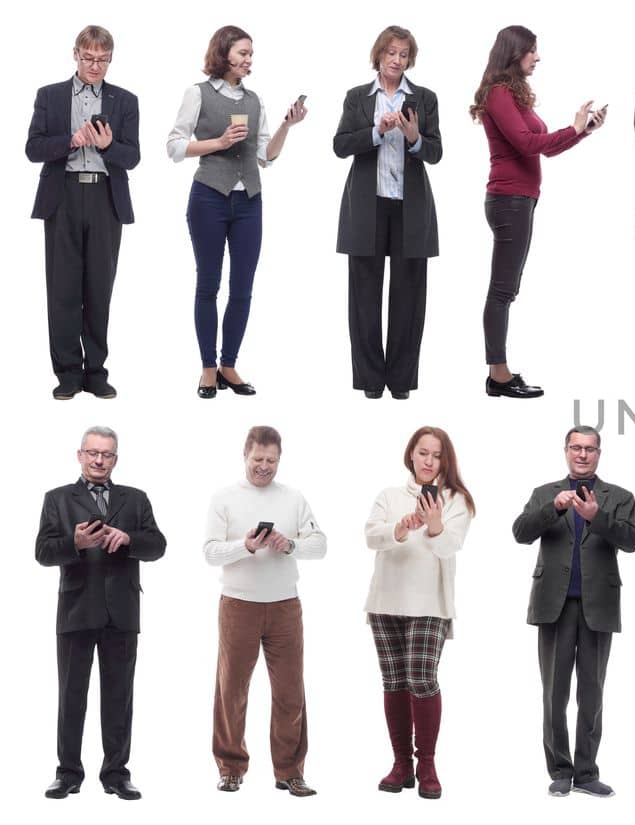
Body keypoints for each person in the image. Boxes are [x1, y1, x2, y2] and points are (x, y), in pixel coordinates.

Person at [167, 25, 307, 399]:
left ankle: (229, 364)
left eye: (251, 54)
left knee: (243, 288)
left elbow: (265, 156)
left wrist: (286, 126)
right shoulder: (196, 94)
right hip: (209, 197)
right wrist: (218, 142)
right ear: (224, 52)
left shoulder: (255, 100)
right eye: (243, 53)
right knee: (208, 284)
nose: (249, 60)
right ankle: (208, 368)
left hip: (249, 201)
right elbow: (174, 146)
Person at [470, 25, 605, 399]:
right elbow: (528, 143)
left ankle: (499, 373)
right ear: (514, 53)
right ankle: (498, 375)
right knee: (502, 290)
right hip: (508, 200)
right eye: (532, 50)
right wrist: (572, 127)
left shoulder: (514, 95)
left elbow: (544, 148)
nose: (537, 57)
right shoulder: (498, 94)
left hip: (521, 199)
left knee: (506, 289)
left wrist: (583, 131)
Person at [36, 426, 167, 800]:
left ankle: (116, 773)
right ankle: (68, 773)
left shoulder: (136, 499)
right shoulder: (58, 499)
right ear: (79, 455)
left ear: (115, 459)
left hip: (122, 612)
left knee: (119, 696)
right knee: (70, 695)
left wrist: (129, 540)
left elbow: (157, 545)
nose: (98, 460)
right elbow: (43, 552)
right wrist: (74, 543)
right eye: (92, 453)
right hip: (76, 609)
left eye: (106, 454)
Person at [512, 426, 635, 798]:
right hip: (554, 604)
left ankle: (586, 772)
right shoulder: (545, 494)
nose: (582, 454)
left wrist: (597, 516)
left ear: (599, 454)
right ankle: (559, 770)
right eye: (576, 448)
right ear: (566, 451)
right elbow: (520, 532)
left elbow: (632, 541)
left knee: (592, 691)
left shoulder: (619, 496)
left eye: (590, 449)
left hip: (598, 604)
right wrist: (554, 509)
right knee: (554, 692)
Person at [203, 425, 327, 797]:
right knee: (232, 690)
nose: (264, 466)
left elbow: (320, 545)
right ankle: (230, 767)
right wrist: (245, 546)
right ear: (245, 455)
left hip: (285, 605)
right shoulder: (224, 498)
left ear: (279, 460)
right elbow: (209, 551)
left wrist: (289, 545)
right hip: (238, 604)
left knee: (290, 691)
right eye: (258, 459)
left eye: (271, 460)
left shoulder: (293, 498)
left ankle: (290, 770)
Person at [27, 25, 140, 401]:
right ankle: (67, 373)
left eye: (103, 60)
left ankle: (96, 372)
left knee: (98, 289)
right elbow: (33, 148)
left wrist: (109, 146)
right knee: (62, 289)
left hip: (106, 199)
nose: (95, 66)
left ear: (111, 60)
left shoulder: (125, 100)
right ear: (75, 54)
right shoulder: (50, 96)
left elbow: (133, 157)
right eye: (89, 58)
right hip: (63, 196)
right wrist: (69, 141)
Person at [362, 426, 475, 799]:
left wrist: (434, 524)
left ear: (445, 460)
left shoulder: (456, 500)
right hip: (386, 602)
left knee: (422, 678)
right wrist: (400, 528)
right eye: (423, 453)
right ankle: (401, 765)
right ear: (411, 454)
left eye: (436, 455)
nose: (429, 461)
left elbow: (449, 548)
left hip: (429, 605)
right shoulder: (389, 496)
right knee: (394, 682)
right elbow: (371, 537)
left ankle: (426, 763)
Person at [334, 26, 442, 400]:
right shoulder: (358, 98)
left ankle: (400, 382)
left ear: (410, 59)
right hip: (366, 208)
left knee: (409, 298)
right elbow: (340, 145)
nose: (397, 60)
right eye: (391, 53)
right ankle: (370, 382)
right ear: (378, 55)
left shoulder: (425, 98)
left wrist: (414, 137)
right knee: (364, 297)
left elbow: (436, 152)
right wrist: (376, 131)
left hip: (411, 209)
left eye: (404, 54)